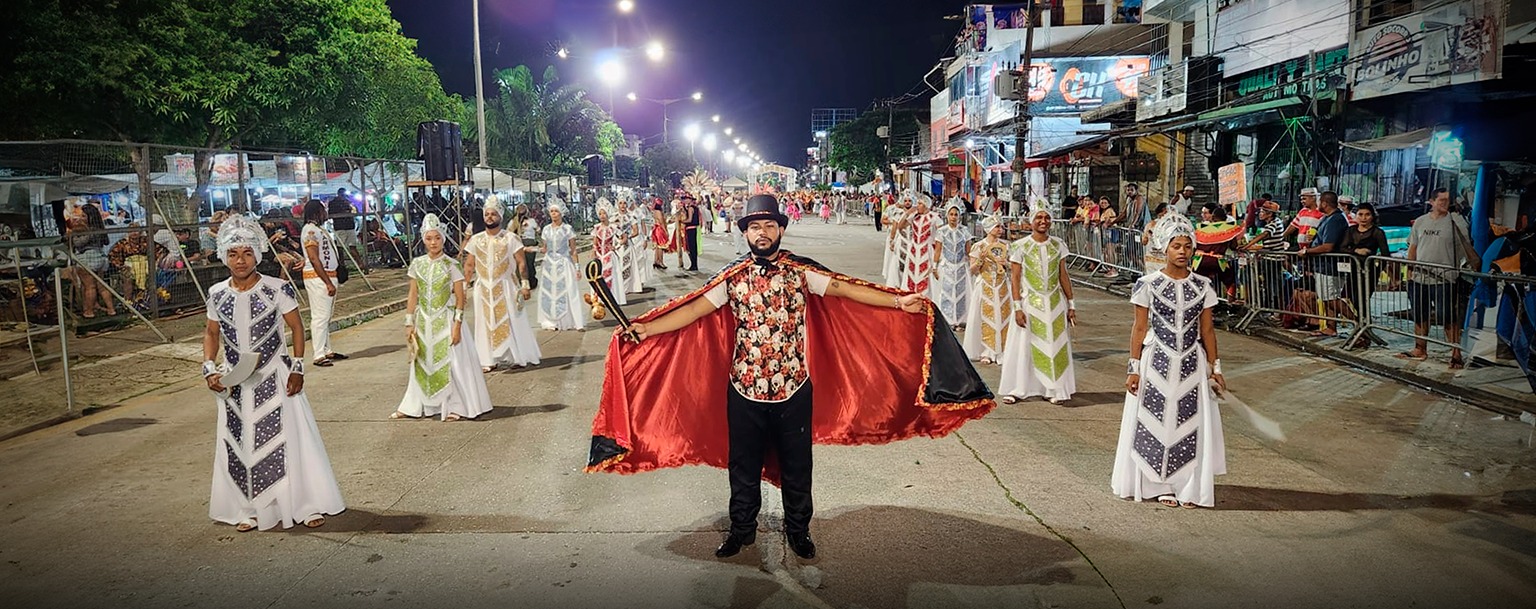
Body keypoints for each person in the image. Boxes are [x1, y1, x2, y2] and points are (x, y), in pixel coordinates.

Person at [587, 194, 995, 561]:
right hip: (743, 389)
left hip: (793, 388)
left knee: (799, 467)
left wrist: (897, 302)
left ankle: (798, 530)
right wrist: (646, 329)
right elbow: (691, 312)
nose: (761, 233)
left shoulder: (801, 273)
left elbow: (844, 290)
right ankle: (741, 530)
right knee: (741, 466)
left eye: (768, 226)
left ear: (780, 229)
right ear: (743, 233)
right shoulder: (733, 279)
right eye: (753, 227)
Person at [202, 215, 345, 531]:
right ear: (224, 255)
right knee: (240, 444)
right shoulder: (216, 293)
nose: (240, 261)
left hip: (276, 377)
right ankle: (249, 508)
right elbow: (212, 333)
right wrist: (209, 369)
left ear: (257, 254)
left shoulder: (277, 288)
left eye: (247, 253)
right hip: (235, 384)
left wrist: (297, 368)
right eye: (234, 254)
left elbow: (296, 328)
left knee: (287, 441)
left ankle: (302, 504)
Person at [1112, 213, 1227, 509]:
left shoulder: (1203, 286)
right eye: (1176, 246)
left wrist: (1216, 369)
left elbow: (1208, 331)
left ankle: (1187, 486)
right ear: (1165, 248)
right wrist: (1133, 368)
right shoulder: (1147, 284)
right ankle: (1158, 484)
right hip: (1156, 362)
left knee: (1190, 423)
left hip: (1191, 364)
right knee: (1155, 422)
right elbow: (1139, 328)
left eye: (1187, 246)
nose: (1182, 251)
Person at [393, 214, 493, 421]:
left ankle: (456, 405)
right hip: (423, 321)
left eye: (437, 238)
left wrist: (457, 325)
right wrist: (408, 321)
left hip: (446, 320)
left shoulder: (451, 264)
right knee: (421, 363)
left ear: (443, 239)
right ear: (423, 240)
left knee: (453, 365)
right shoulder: (417, 264)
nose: (433, 243)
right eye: (429, 238)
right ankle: (414, 404)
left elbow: (460, 297)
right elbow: (413, 294)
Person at [997, 207, 1077, 405]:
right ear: (1031, 221)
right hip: (1029, 303)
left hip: (1055, 304)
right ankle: (1019, 388)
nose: (1044, 221)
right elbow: (1015, 279)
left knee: (1054, 344)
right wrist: (1017, 307)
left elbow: (1063, 275)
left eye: (1047, 217)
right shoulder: (1020, 246)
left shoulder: (1058, 245)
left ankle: (1053, 388)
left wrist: (1071, 303)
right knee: (1024, 346)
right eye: (1039, 217)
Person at [1398, 188, 1481, 369]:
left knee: (1448, 317)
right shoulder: (1420, 222)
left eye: (1447, 200)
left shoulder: (1456, 221)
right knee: (1420, 314)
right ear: (1431, 202)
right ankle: (1420, 348)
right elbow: (1413, 247)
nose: (1444, 203)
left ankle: (1455, 353)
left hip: (1445, 278)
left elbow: (1464, 247)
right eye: (1441, 200)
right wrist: (1410, 270)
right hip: (1420, 277)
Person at [463, 196, 541, 372]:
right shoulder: (476, 240)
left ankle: (516, 356)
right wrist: (463, 287)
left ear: (500, 216)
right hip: (482, 288)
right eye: (487, 214)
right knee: (483, 323)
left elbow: (521, 263)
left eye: (493, 214)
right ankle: (487, 359)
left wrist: (525, 284)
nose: (490, 217)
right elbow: (469, 265)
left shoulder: (510, 238)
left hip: (506, 286)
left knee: (512, 320)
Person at [1297, 191, 1352, 335]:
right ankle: (1330, 327)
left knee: (1331, 299)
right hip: (1322, 265)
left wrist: (1307, 251)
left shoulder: (1335, 219)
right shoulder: (1327, 218)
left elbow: (1328, 246)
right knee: (1326, 298)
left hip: (1330, 266)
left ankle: (1358, 322)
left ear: (1324, 203)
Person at [300, 199, 346, 367]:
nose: (326, 213)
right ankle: (318, 354)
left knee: (326, 316)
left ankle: (326, 349)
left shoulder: (318, 230)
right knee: (320, 316)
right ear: (316, 213)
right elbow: (313, 257)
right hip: (319, 278)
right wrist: (327, 282)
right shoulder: (310, 231)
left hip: (327, 275)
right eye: (323, 210)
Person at [962, 215, 1012, 364]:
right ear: (989, 229)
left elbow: (1013, 266)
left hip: (1002, 285)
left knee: (1003, 316)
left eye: (1001, 227)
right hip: (985, 285)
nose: (1000, 230)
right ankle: (986, 351)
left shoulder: (1006, 246)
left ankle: (1002, 350)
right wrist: (981, 260)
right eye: (997, 227)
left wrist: (1007, 264)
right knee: (985, 317)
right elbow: (972, 270)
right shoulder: (978, 246)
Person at [536, 203, 585, 331]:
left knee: (569, 291)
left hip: (564, 263)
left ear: (561, 213)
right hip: (549, 265)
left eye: (556, 211)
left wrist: (577, 268)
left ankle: (572, 321)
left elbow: (573, 251)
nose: (553, 213)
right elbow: (545, 249)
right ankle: (551, 321)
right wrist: (532, 249)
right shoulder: (546, 229)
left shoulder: (567, 229)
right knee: (550, 292)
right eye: (551, 211)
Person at [933, 203, 972, 327]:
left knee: (961, 294)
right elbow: (938, 250)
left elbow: (968, 251)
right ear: (947, 216)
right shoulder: (942, 231)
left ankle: (960, 321)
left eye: (956, 214)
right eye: (951, 214)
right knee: (946, 294)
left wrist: (972, 265)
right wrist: (934, 266)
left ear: (960, 216)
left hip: (961, 267)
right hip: (946, 267)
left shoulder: (964, 231)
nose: (953, 217)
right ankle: (947, 320)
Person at [591, 202, 629, 308]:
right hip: (599, 256)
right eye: (600, 214)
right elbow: (594, 243)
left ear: (608, 214)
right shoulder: (596, 228)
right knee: (598, 277)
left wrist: (616, 246)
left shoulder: (613, 227)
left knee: (610, 277)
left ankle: (610, 298)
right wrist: (594, 251)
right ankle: (599, 299)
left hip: (609, 256)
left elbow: (624, 237)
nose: (602, 216)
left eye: (604, 213)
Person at [902, 195, 940, 293]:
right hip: (914, 252)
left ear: (926, 205)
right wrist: (907, 214)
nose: (917, 206)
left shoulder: (934, 217)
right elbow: (900, 226)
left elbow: (941, 234)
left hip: (928, 252)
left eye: (919, 204)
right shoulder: (915, 217)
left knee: (927, 279)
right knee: (912, 275)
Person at [328, 189, 365, 275]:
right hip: (340, 227)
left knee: (352, 246)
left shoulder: (348, 201)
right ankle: (342, 266)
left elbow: (354, 211)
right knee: (340, 248)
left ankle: (360, 264)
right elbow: (331, 213)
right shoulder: (334, 203)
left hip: (349, 226)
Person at [681, 193, 702, 272]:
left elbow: (689, 220)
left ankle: (693, 265)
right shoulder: (695, 207)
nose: (685, 200)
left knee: (691, 247)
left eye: (686, 199)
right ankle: (694, 265)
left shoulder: (690, 208)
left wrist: (682, 221)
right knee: (693, 247)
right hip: (694, 229)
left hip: (690, 229)